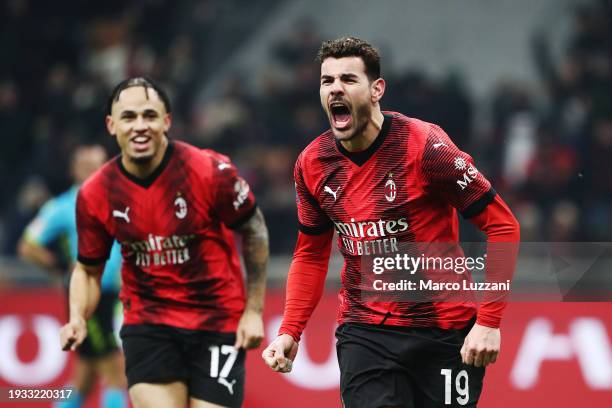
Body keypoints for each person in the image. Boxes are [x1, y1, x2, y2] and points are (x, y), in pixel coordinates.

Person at [262, 37, 520, 407]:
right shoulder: (312, 164)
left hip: (445, 332)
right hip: (365, 332)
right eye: (327, 81)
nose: (336, 88)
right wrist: (290, 329)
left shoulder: (425, 147)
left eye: (349, 79)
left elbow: (503, 226)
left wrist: (489, 322)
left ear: (376, 89)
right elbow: (310, 255)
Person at [59, 77, 269, 408]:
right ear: (112, 126)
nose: (140, 126)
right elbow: (87, 271)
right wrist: (76, 317)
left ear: (167, 122)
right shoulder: (95, 193)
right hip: (149, 323)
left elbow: (254, 228)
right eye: (129, 117)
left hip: (217, 322)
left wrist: (254, 310)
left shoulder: (208, 171)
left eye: (149, 116)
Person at [19, 145, 127, 408]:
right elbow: (28, 245)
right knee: (116, 375)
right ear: (73, 169)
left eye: (97, 164)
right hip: (88, 299)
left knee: (84, 379)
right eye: (85, 164)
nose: (92, 170)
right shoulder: (64, 206)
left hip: (114, 295)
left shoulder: (120, 202)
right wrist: (61, 267)